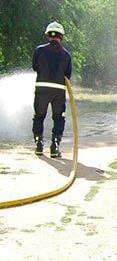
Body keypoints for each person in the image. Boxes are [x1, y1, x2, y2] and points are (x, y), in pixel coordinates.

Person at [32, 21, 72, 158]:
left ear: (48, 35)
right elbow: (68, 75)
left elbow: (35, 67)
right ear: (61, 36)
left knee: (39, 116)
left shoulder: (39, 50)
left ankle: (38, 144)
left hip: (41, 90)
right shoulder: (66, 55)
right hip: (58, 92)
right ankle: (55, 146)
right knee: (58, 118)